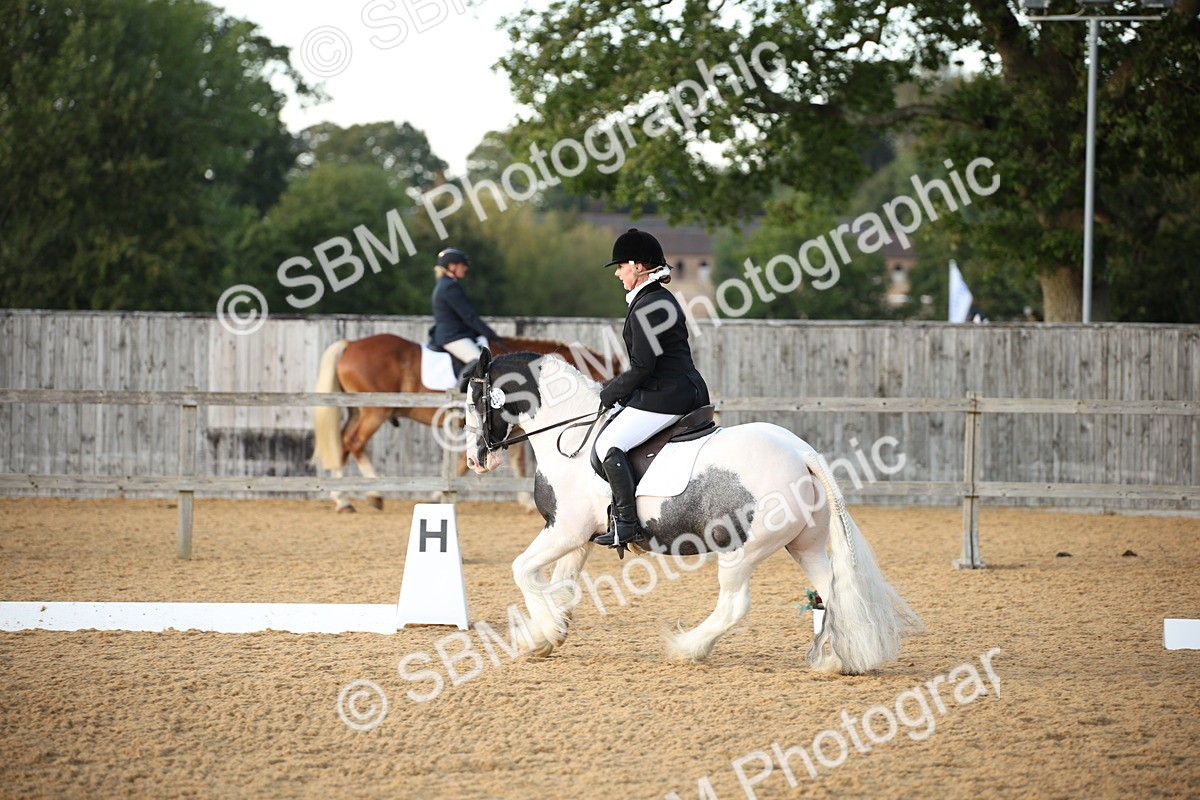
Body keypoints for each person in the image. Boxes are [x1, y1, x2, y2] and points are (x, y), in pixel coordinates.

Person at [593, 228, 710, 549]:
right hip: (674, 388)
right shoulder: (652, 298)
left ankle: (627, 524)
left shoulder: (650, 303)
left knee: (608, 445)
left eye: (621, 266)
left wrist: (610, 393)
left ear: (639, 266)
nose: (617, 273)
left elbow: (644, 366)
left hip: (668, 394)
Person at [429, 247, 500, 366]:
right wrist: (490, 334)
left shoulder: (445, 284)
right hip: (453, 336)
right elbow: (468, 316)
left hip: (455, 333)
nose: (465, 268)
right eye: (462, 265)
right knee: (480, 364)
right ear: (452, 266)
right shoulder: (450, 287)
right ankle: (459, 386)